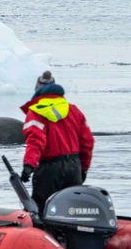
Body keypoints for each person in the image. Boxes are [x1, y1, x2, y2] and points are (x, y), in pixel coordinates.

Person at [21, 71, 94, 214]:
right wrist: (83, 168)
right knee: (71, 211)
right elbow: (87, 142)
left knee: (42, 210)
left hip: (49, 169)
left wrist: (28, 165)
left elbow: (36, 141)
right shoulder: (73, 110)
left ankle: (43, 235)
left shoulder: (36, 112)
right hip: (74, 167)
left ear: (37, 89)